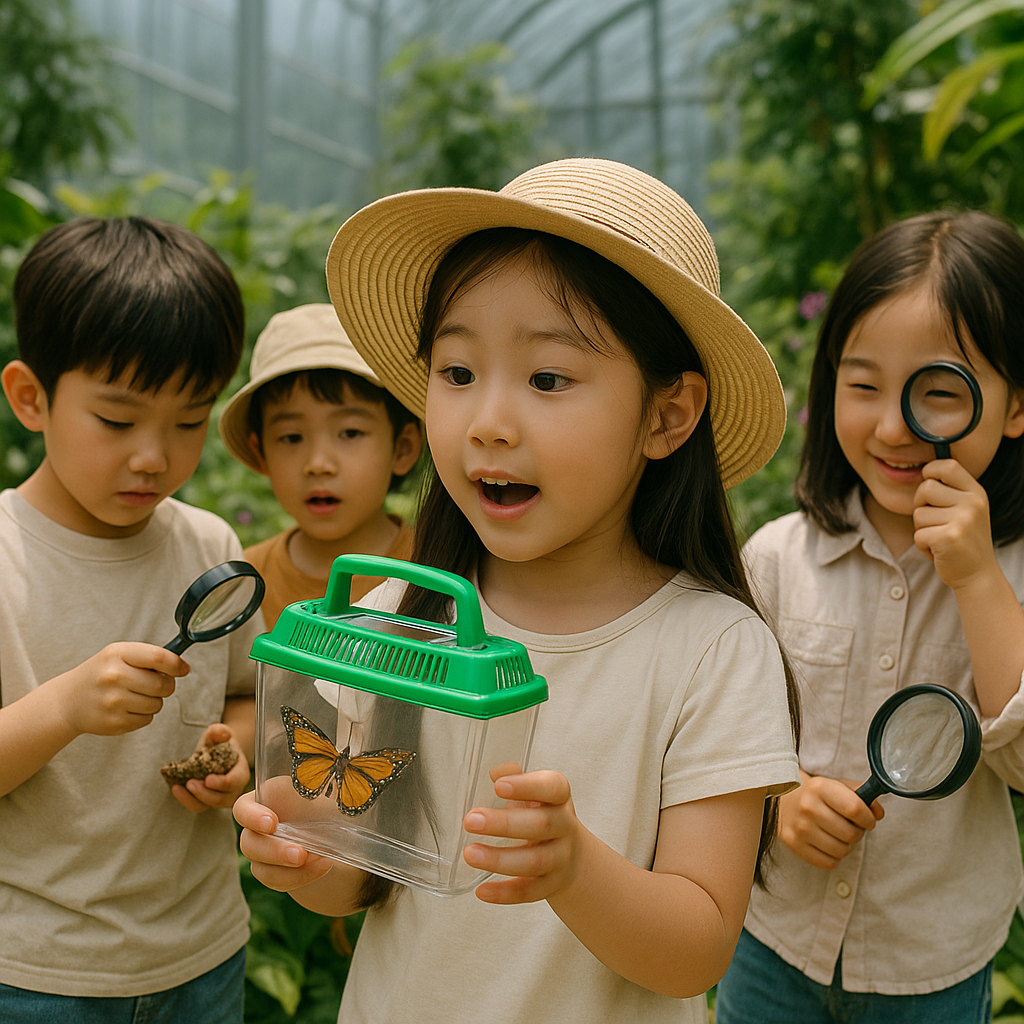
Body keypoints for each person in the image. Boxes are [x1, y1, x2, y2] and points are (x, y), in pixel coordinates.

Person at [234, 157, 801, 1024]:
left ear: (665, 416)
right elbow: (362, 873)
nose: (489, 421)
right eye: (457, 373)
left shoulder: (710, 650)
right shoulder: (397, 616)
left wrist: (573, 867)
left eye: (547, 379)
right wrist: (310, 864)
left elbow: (697, 949)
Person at [714, 210, 1024, 1024]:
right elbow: (720, 741)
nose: (893, 427)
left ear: (1017, 404)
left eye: (938, 392)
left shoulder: (1013, 575)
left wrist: (981, 582)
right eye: (862, 385)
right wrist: (782, 800)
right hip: (773, 945)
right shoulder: (778, 558)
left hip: (932, 968)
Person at [0, 216, 264, 1023]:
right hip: (37, 973)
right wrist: (65, 708)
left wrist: (232, 752)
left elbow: (248, 695)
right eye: (118, 421)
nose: (155, 455)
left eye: (190, 421)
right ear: (30, 397)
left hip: (203, 956)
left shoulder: (208, 543)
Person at [218, 303, 422, 629]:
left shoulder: (436, 570)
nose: (318, 464)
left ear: (403, 447)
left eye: (350, 432)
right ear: (261, 453)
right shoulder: (245, 581)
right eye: (291, 437)